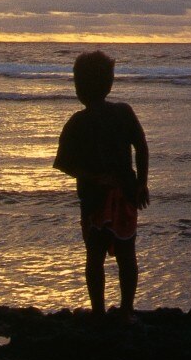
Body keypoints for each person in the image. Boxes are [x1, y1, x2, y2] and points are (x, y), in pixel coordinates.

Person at [54, 50, 150, 315]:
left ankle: (99, 312)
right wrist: (142, 181)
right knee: (126, 254)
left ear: (78, 87)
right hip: (123, 193)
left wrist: (94, 177)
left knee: (95, 256)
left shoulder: (78, 121)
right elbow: (141, 146)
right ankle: (126, 311)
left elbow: (64, 163)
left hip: (95, 198)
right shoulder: (123, 112)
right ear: (109, 83)